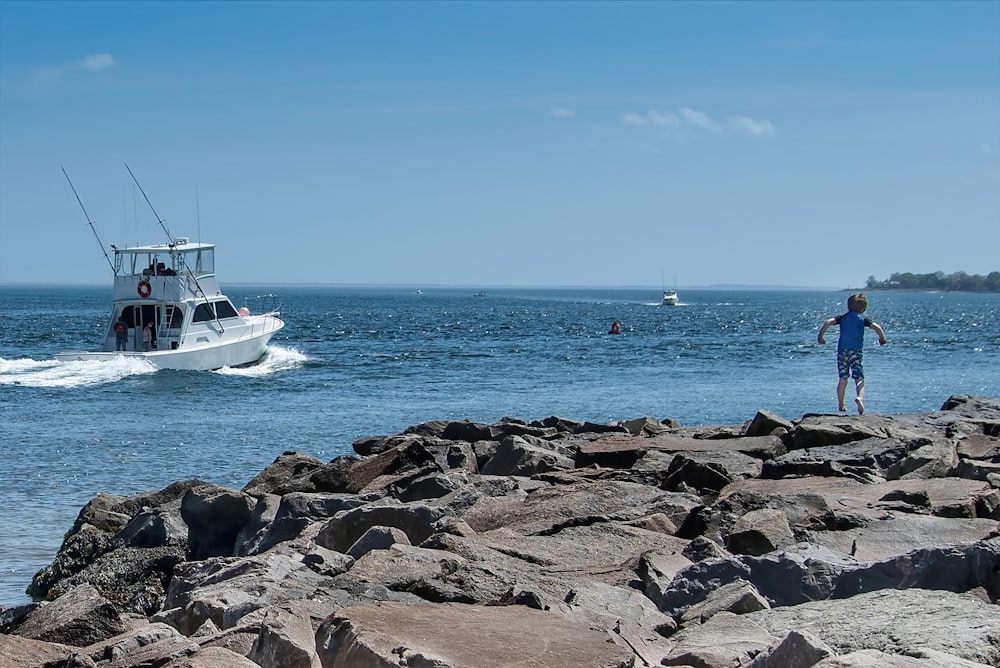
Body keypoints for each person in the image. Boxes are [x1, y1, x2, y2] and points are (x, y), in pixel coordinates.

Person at [818, 292, 887, 415]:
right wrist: (882, 338)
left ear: (848, 306)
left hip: (842, 352)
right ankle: (859, 398)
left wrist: (821, 336)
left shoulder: (843, 318)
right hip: (856, 352)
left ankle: (841, 404)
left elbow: (828, 322)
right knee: (859, 378)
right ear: (863, 308)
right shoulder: (863, 319)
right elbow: (877, 327)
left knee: (843, 378)